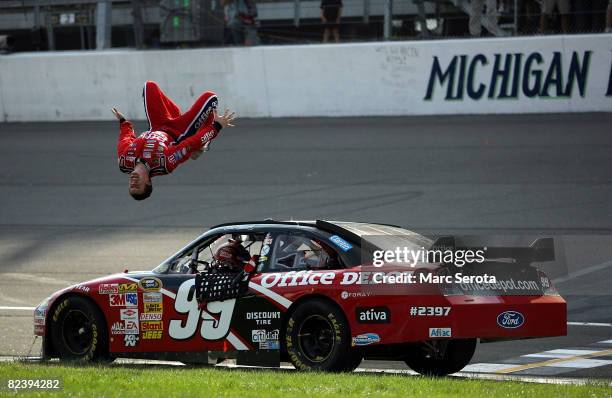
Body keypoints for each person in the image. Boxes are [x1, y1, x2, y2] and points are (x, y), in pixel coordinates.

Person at [113, 81, 236, 201]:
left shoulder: (124, 162)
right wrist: (216, 127)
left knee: (149, 86)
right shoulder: (164, 163)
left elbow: (125, 139)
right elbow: (191, 144)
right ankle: (205, 143)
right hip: (180, 131)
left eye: (131, 186)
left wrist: (124, 123)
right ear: (148, 182)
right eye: (137, 185)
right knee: (211, 98)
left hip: (157, 124)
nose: (133, 182)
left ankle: (176, 114)